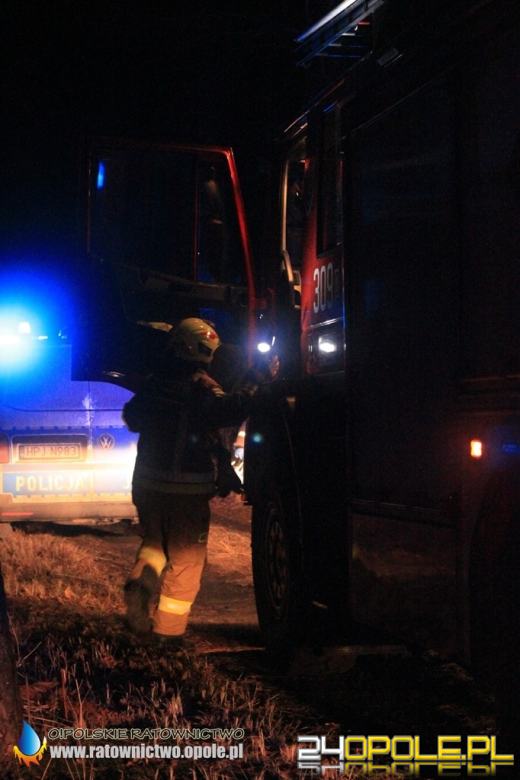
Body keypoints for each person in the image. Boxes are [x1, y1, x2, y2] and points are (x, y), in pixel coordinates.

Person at [122, 317, 268, 644]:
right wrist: (255, 380)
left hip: (147, 486)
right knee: (187, 562)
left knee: (154, 546)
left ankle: (140, 587)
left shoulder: (153, 386)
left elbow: (132, 418)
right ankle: (168, 635)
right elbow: (231, 410)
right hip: (188, 493)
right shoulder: (202, 389)